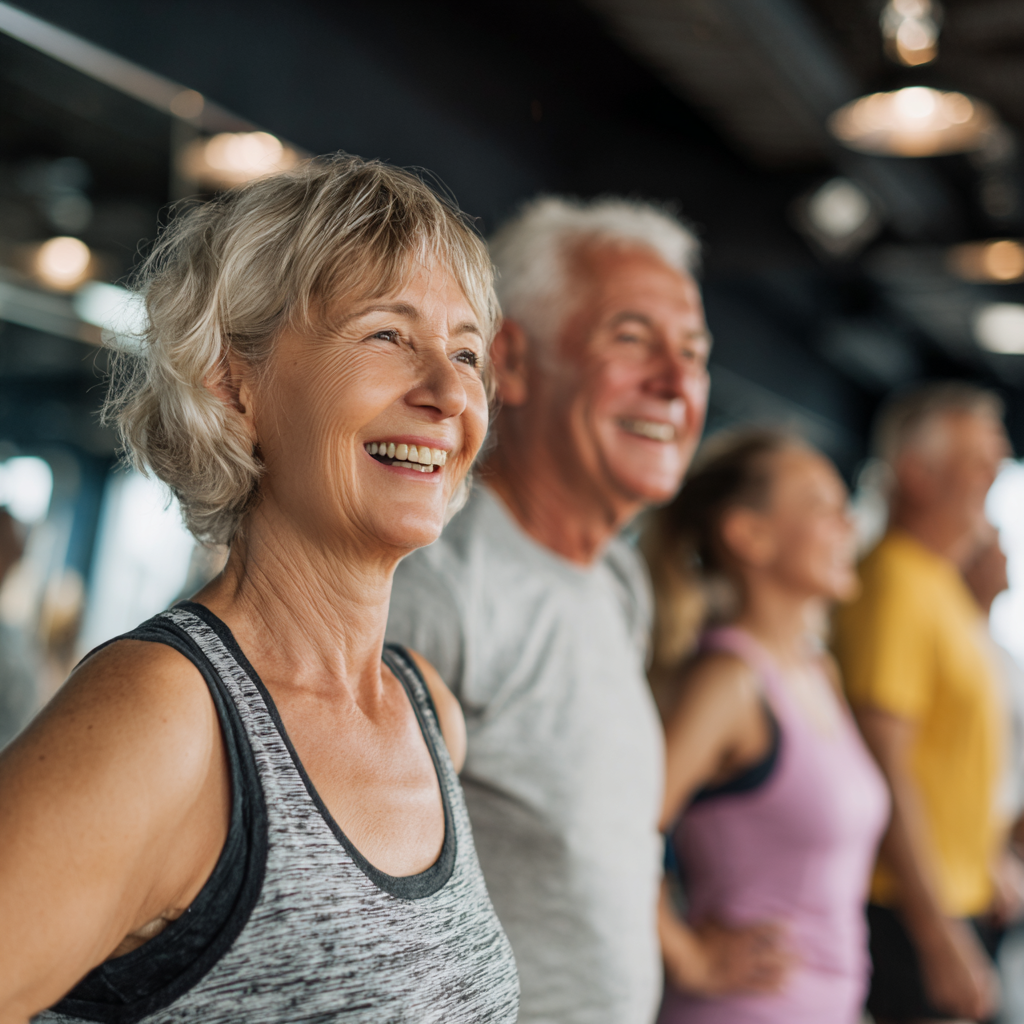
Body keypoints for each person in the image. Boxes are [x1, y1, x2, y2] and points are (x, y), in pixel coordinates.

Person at [0, 156, 519, 1023]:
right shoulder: (166, 715)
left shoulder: (428, 713)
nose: (447, 392)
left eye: (466, 352)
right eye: (387, 335)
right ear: (232, 383)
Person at [386, 196, 710, 1024]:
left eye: (694, 351)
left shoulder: (618, 586)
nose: (676, 383)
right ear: (513, 363)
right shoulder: (437, 587)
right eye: (631, 340)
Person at [645, 428, 890, 1024]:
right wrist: (687, 955)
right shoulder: (729, 681)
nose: (849, 527)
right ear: (748, 535)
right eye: (822, 509)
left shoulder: (816, 670)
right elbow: (618, 835)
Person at [834, 382, 1011, 1024]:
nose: (994, 471)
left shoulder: (937, 581)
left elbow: (949, 755)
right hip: (907, 910)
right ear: (918, 472)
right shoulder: (895, 583)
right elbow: (889, 768)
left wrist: (985, 858)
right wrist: (939, 936)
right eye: (978, 460)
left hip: (954, 896)